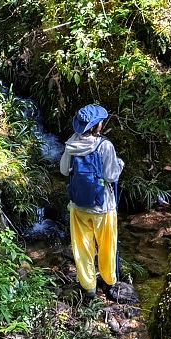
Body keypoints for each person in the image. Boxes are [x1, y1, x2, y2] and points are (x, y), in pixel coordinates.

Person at [60, 103, 124, 303]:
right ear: (96, 126)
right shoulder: (105, 146)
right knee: (107, 247)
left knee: (82, 247)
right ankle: (109, 280)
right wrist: (120, 164)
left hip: (78, 206)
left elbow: (63, 171)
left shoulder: (71, 144)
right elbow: (112, 175)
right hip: (103, 207)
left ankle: (88, 287)